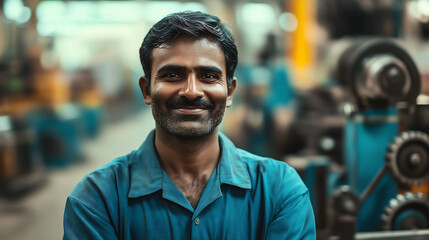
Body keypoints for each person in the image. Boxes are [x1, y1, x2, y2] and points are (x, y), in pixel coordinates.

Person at [63, 11, 316, 239]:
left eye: (208, 76)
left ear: (229, 92)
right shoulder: (97, 200)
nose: (192, 91)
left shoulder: (281, 191)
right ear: (146, 89)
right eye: (172, 75)